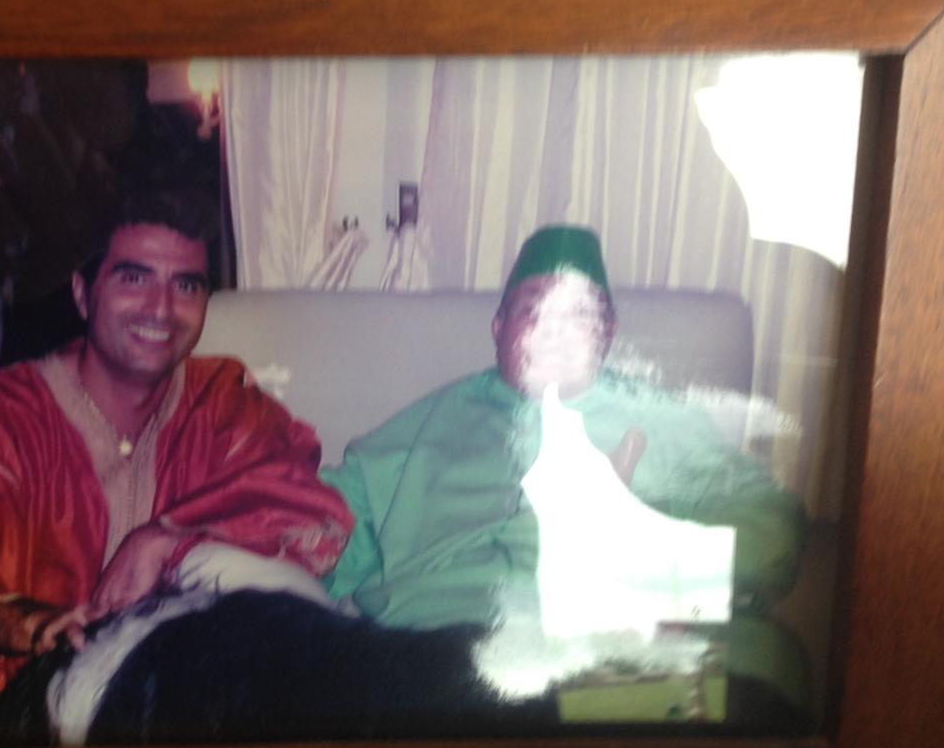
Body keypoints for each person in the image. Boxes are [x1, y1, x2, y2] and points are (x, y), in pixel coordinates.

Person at [0, 191, 353, 745]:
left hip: (183, 710)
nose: (161, 309)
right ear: (83, 294)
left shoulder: (223, 402)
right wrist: (29, 622)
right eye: (134, 279)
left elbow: (308, 507)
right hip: (16, 718)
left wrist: (165, 538)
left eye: (186, 286)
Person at [321, 225, 809, 721]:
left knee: (761, 677)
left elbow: (772, 533)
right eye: (534, 308)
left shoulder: (663, 423)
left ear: (609, 332)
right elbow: (314, 524)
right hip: (442, 658)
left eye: (580, 312)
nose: (554, 330)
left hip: (608, 661)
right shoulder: (420, 431)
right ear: (499, 327)